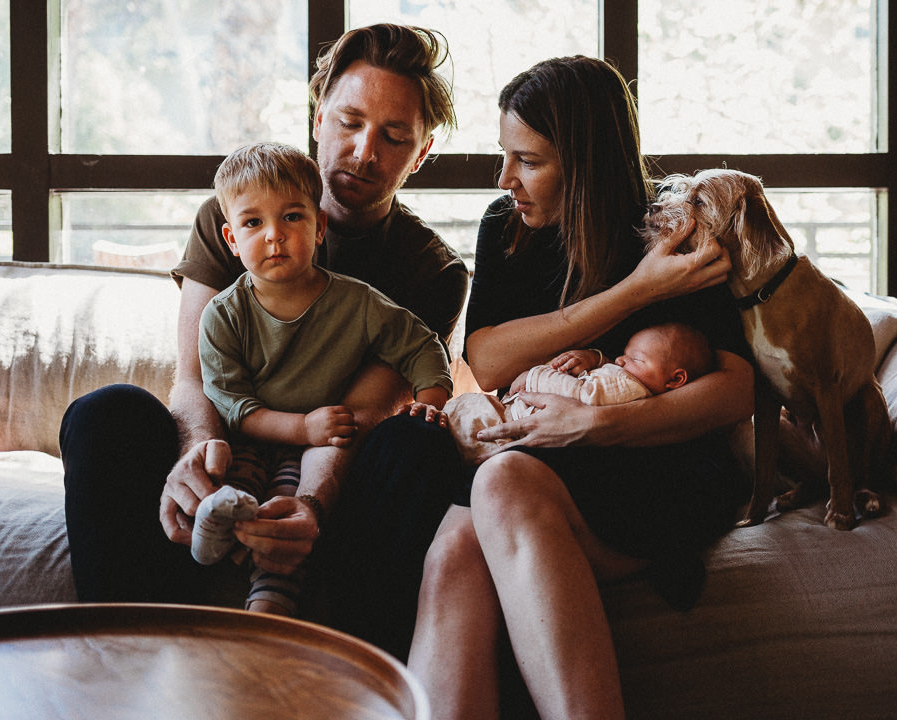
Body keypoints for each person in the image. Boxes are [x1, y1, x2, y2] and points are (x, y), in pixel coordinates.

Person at [59, 24, 468, 659]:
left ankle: (358, 677)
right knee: (104, 413)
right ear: (318, 118)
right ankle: (123, 660)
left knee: (415, 444)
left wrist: (310, 507)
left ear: (420, 154)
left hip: (330, 466)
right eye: (350, 122)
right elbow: (195, 379)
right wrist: (195, 458)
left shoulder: (430, 270)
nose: (363, 153)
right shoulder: (238, 214)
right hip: (229, 438)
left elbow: (358, 416)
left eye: (393, 137)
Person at [405, 56, 755, 720]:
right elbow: (488, 356)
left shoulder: (677, 230)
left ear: (586, 162)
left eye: (528, 161)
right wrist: (635, 293)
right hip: (547, 456)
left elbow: (735, 390)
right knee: (455, 545)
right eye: (506, 156)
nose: (505, 178)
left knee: (499, 484)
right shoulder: (506, 227)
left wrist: (596, 425)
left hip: (656, 463)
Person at [191, 141, 451, 616]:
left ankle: (267, 610)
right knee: (232, 487)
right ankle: (212, 538)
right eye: (254, 223)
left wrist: (430, 400)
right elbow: (230, 404)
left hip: (313, 451)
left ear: (319, 227)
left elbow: (421, 346)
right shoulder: (223, 314)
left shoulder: (358, 303)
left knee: (282, 510)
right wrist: (301, 425)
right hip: (253, 438)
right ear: (231, 239)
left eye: (292, 217)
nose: (275, 236)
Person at [444, 322, 714, 465]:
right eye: (623, 354)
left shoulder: (632, 388)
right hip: (512, 418)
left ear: (675, 379)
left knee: (466, 416)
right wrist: (595, 358)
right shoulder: (628, 380)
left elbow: (582, 395)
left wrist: (536, 375)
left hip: (507, 427)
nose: (620, 361)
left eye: (636, 359)